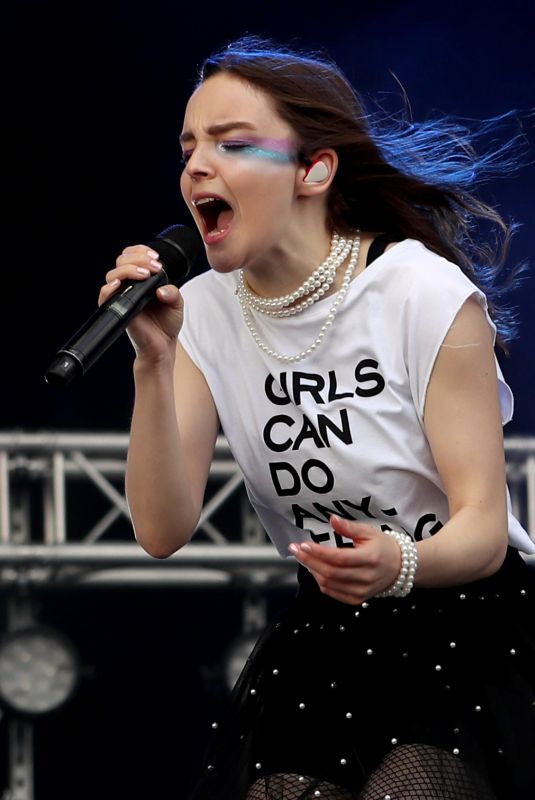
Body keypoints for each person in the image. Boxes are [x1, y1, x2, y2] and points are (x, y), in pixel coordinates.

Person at [99, 36, 535, 800]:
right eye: (188, 147)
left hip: (468, 623)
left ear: (314, 169)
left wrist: (398, 561)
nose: (195, 165)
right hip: (330, 630)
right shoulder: (200, 313)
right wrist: (154, 361)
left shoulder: (419, 291)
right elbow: (160, 530)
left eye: (231, 144)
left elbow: (482, 528)